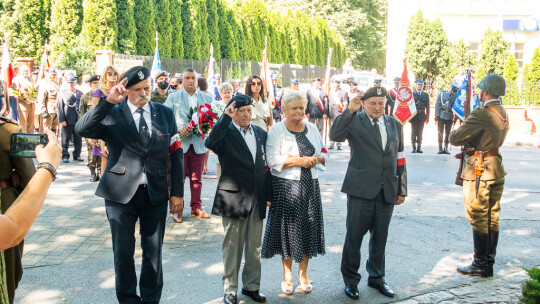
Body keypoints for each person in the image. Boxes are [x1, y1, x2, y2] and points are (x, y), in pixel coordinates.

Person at [75, 66, 185, 304]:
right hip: (119, 193)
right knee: (123, 253)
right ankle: (127, 299)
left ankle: (150, 299)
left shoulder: (164, 114)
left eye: (147, 88)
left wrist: (177, 193)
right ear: (125, 91)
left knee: (153, 252)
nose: (144, 93)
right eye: (137, 90)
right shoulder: (113, 112)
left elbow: (176, 153)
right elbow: (81, 128)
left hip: (154, 193)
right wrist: (107, 101)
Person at [329, 87, 407, 300]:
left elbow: (400, 158)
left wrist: (402, 188)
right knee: (354, 237)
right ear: (364, 104)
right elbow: (334, 134)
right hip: (361, 190)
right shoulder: (355, 120)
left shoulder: (394, 124)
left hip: (386, 190)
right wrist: (349, 110)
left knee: (380, 237)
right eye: (372, 103)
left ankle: (377, 278)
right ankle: (351, 280)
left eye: (381, 103)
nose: (377, 107)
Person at [204, 94, 270, 304]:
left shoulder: (260, 132)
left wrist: (267, 194)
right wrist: (225, 118)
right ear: (233, 112)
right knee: (232, 246)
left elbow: (264, 166)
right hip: (233, 196)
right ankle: (230, 289)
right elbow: (210, 142)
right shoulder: (225, 132)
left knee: (254, 247)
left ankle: (252, 286)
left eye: (249, 111)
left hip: (257, 196)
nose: (247, 115)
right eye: (242, 111)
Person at [263, 91, 328, 295]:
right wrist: (300, 160)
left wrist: (315, 160)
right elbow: (272, 160)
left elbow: (324, 153)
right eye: (295, 108)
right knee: (288, 233)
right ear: (284, 109)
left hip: (310, 187)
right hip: (286, 188)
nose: (299, 111)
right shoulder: (276, 130)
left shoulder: (311, 128)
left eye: (302, 107)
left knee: (307, 229)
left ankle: (303, 275)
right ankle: (287, 275)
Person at [449, 73, 509, 278]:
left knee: (477, 216)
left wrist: (461, 127)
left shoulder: (481, 113)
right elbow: (498, 141)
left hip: (479, 172)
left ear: (485, 91)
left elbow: (455, 138)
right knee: (492, 216)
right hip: (496, 168)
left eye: (481, 90)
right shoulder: (502, 111)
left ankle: (480, 264)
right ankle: (488, 262)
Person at [0, 129, 60, 304]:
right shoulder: (8, 130)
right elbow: (13, 230)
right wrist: (48, 167)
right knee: (8, 274)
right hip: (7, 205)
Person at [164, 68, 212, 223]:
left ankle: (196, 207)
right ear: (182, 80)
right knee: (179, 179)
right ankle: (177, 210)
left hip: (198, 143)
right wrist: (178, 128)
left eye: (193, 78)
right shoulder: (173, 97)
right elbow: (166, 117)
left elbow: (212, 118)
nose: (191, 80)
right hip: (180, 144)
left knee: (197, 178)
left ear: (197, 80)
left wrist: (205, 126)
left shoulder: (207, 98)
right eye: (187, 78)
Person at [92, 65, 119, 176]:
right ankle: (104, 186)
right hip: (103, 128)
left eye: (115, 73)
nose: (112, 76)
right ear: (105, 75)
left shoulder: (120, 90)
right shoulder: (99, 92)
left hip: (118, 127)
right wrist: (94, 135)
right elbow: (94, 114)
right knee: (105, 158)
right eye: (110, 73)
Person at [79, 75, 101, 182]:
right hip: (90, 128)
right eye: (94, 83)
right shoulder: (85, 97)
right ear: (90, 84)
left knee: (101, 151)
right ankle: (92, 172)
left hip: (102, 128)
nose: (97, 85)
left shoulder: (105, 96)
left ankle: (101, 171)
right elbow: (82, 115)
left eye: (98, 83)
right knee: (91, 151)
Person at [57, 77, 83, 163]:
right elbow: (59, 107)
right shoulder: (62, 93)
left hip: (78, 119)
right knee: (65, 139)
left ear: (75, 83)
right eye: (69, 83)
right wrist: (62, 119)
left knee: (78, 139)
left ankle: (77, 154)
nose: (71, 84)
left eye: (72, 83)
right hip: (67, 119)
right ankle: (65, 155)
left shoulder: (79, 93)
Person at [212, 83, 234, 180]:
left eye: (229, 92)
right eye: (224, 92)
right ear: (220, 94)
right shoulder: (216, 105)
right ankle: (219, 182)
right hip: (220, 136)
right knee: (219, 161)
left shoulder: (235, 105)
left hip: (232, 135)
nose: (227, 94)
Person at [324, 79, 348, 150]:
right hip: (331, 113)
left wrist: (343, 113)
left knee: (339, 129)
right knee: (331, 129)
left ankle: (339, 144)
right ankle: (331, 143)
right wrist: (326, 113)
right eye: (335, 84)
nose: (336, 85)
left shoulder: (343, 92)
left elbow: (345, 104)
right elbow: (327, 103)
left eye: (337, 84)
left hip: (339, 114)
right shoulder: (330, 92)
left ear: (339, 84)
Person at [12, 65, 35, 133]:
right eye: (24, 71)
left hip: (31, 104)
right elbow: (15, 92)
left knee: (31, 124)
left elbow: (33, 90)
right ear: (19, 71)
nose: (25, 72)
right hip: (22, 105)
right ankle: (23, 140)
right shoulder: (16, 79)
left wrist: (34, 97)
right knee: (23, 124)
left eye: (26, 71)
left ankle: (31, 140)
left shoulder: (30, 79)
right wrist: (24, 97)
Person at [36, 68, 60, 133]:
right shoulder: (44, 83)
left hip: (56, 109)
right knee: (47, 129)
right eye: (52, 74)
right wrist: (43, 110)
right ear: (48, 74)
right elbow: (41, 98)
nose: (54, 75)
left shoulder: (56, 84)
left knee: (54, 128)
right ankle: (46, 143)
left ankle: (53, 141)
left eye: (54, 74)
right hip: (48, 109)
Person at [435, 84, 457, 154]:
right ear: (450, 87)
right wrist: (437, 115)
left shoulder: (455, 96)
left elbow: (456, 107)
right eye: (452, 90)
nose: (452, 92)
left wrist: (455, 118)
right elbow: (437, 104)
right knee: (440, 132)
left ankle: (446, 147)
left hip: (449, 116)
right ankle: (440, 148)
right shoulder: (442, 94)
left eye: (454, 91)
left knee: (448, 133)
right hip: (441, 115)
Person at [410, 79, 430, 153]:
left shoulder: (425, 95)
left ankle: (419, 146)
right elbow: (409, 105)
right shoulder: (412, 94)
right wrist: (409, 117)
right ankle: (413, 147)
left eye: (421, 85)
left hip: (422, 115)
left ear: (422, 86)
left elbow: (427, 107)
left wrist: (427, 117)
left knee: (420, 131)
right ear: (416, 85)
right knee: (414, 131)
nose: (419, 86)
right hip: (414, 115)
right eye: (418, 85)